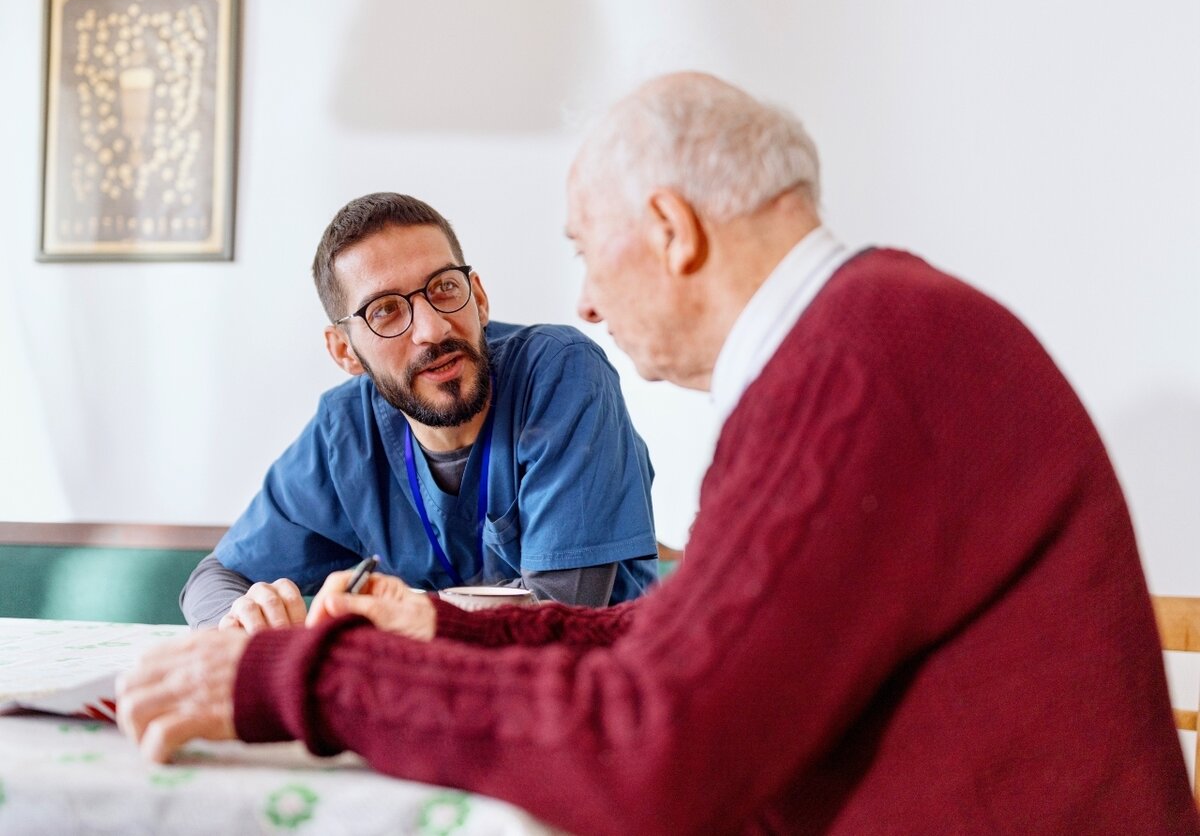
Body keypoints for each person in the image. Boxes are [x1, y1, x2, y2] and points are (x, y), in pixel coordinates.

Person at [122, 74, 1199, 834]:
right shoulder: (873, 335)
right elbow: (682, 639)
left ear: (672, 228)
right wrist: (439, 625)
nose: (585, 299)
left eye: (589, 250)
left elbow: (659, 753)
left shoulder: (854, 373)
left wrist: (310, 677)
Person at [180, 192, 658, 631]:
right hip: (431, 693)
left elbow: (559, 614)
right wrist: (240, 620)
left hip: (588, 695)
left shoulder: (560, 372)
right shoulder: (346, 431)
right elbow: (216, 578)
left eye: (445, 288)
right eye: (385, 310)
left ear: (480, 297)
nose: (432, 328)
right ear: (344, 351)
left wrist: (385, 626)